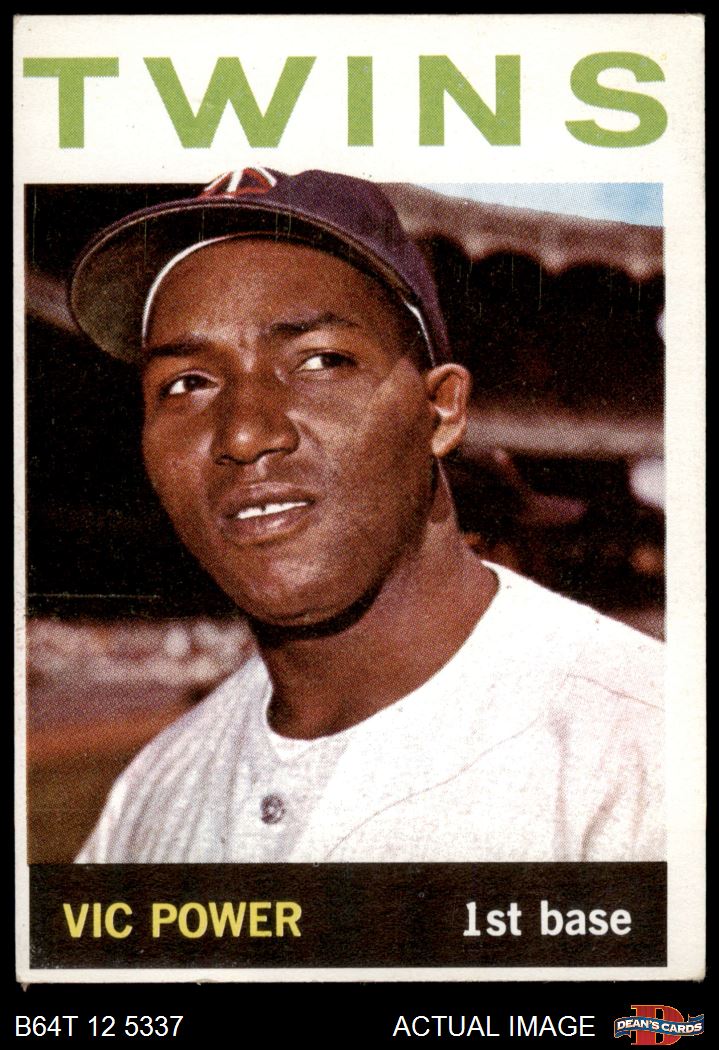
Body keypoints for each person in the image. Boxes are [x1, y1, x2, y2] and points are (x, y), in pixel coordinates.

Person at [70, 167, 664, 863]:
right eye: (186, 383)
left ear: (440, 410)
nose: (245, 433)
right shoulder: (148, 794)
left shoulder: (646, 748)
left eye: (320, 361)